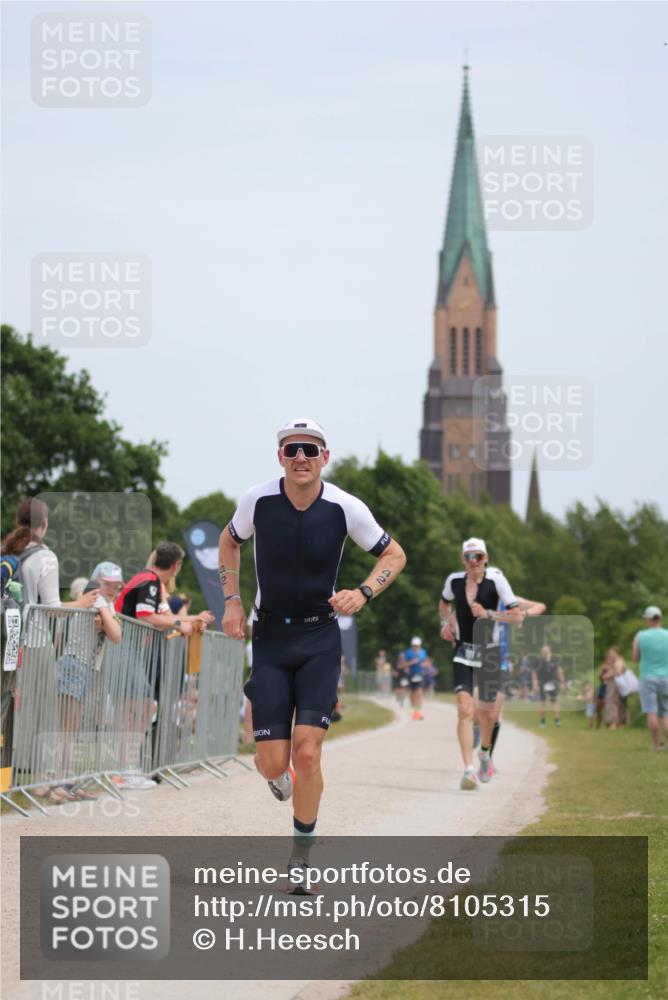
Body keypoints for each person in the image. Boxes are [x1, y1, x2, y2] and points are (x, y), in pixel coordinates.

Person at [219, 418, 406, 887]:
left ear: (325, 456)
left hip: (321, 639)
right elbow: (228, 541)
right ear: (279, 456)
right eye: (291, 449)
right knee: (272, 763)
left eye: (310, 449)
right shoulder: (256, 500)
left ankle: (301, 857)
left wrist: (363, 593)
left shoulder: (345, 507)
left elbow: (394, 555)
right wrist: (232, 601)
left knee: (308, 754)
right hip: (270, 639)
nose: (300, 457)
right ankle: (274, 772)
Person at [439, 537, 522, 791]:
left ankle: (484, 753)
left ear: (486, 558)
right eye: (468, 557)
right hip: (463, 650)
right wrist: (446, 624)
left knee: (487, 714)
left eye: (478, 556)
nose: (473, 561)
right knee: (464, 710)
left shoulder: (496, 581)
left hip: (490, 653)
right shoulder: (453, 581)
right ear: (463, 560)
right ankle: (468, 770)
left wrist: (489, 614)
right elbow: (444, 603)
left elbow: (517, 616)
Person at [633, 606, 668, 752]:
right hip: (666, 677)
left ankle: (655, 745)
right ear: (659, 618)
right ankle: (667, 745)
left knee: (651, 711)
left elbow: (635, 657)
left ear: (648, 619)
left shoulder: (640, 636)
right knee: (666, 712)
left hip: (647, 677)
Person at [531, 644, 566, 728]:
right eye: (544, 652)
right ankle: (543, 722)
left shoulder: (554, 659)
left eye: (547, 651)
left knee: (554, 702)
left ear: (549, 652)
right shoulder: (538, 661)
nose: (545, 653)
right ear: (541, 652)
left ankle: (556, 720)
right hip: (542, 683)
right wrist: (535, 684)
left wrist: (562, 682)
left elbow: (559, 671)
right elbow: (534, 673)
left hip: (551, 683)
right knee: (543, 703)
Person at [400, 636, 429, 720]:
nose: (416, 647)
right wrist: (411, 662)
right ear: (412, 645)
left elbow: (427, 663)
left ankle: (418, 712)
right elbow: (403, 665)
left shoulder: (423, 652)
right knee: (412, 693)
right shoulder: (408, 652)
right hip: (411, 674)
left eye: (417, 645)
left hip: (420, 674)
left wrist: (423, 665)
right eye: (414, 645)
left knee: (419, 692)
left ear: (420, 645)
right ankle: (413, 711)